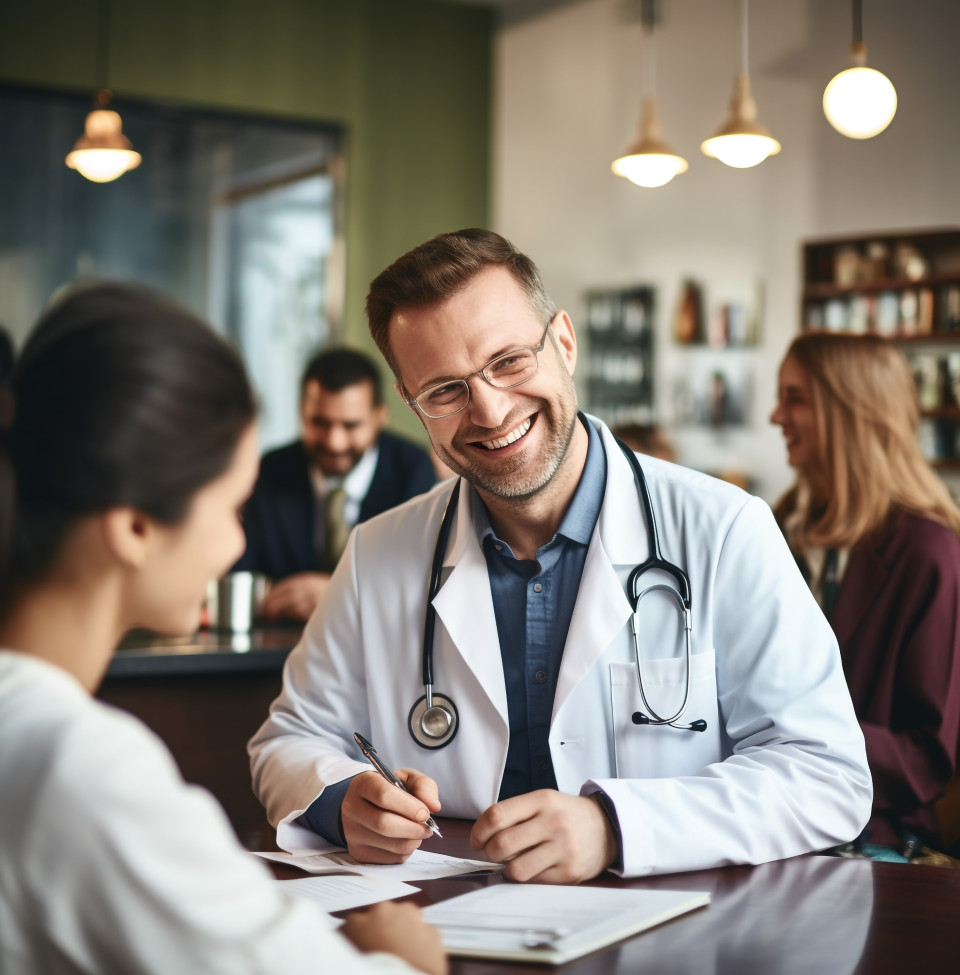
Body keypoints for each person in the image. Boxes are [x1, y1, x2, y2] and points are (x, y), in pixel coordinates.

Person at [249, 228, 871, 883]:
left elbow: (825, 773)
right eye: (445, 391)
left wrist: (616, 825)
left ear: (565, 343)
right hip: (452, 932)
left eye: (509, 361)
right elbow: (287, 740)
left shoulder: (724, 529)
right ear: (411, 405)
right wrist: (341, 799)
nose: (489, 410)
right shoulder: (379, 552)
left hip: (675, 935)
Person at [0, 284, 446, 975]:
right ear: (136, 526)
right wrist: (402, 957)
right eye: (233, 507)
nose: (238, 545)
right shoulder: (81, 771)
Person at [770, 330, 960, 855]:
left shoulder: (928, 552)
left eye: (796, 399)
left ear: (850, 411)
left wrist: (794, 732)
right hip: (764, 809)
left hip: (872, 833)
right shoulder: (777, 526)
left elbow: (924, 760)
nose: (775, 417)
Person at [235, 347, 436, 621]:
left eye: (351, 425)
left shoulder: (412, 468)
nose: (334, 442)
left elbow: (418, 575)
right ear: (301, 412)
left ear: (380, 416)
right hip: (282, 643)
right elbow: (244, 571)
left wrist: (338, 593)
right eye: (319, 423)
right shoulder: (271, 469)